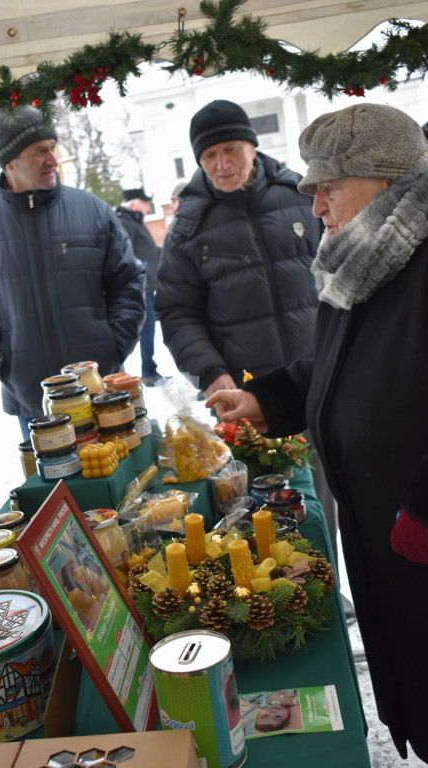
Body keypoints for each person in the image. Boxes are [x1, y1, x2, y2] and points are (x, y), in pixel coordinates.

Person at [206, 103, 428, 763]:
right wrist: (268, 397)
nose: (317, 208)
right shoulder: (360, 262)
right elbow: (340, 370)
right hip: (389, 544)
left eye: (329, 187)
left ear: (386, 180)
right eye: (311, 191)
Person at [153, 99, 339, 567]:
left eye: (232, 150)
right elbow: (176, 311)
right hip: (250, 397)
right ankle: (286, 592)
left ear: (253, 148)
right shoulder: (189, 226)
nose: (222, 164)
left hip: (323, 374)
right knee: (268, 507)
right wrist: (213, 373)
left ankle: (333, 582)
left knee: (333, 494)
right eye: (209, 157)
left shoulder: (302, 196)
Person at [0, 106, 146, 438]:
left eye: (53, 147)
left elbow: (128, 282)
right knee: (57, 491)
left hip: (103, 395)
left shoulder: (93, 211)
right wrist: (7, 365)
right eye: (40, 151)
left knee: (122, 486)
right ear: (10, 162)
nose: (53, 159)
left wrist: (113, 347)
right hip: (33, 406)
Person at [116, 188, 163, 386]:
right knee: (145, 329)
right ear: (135, 204)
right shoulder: (126, 222)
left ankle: (149, 369)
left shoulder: (134, 221)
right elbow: (128, 253)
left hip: (148, 284)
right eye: (146, 204)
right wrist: (143, 270)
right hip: (141, 285)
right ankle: (146, 372)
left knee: (148, 329)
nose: (147, 208)